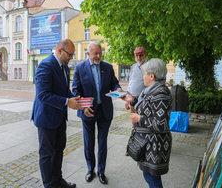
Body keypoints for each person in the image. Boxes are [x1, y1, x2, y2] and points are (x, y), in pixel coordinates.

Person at [31, 39, 83, 188]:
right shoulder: (45, 66)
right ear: (60, 50)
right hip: (46, 118)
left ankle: (57, 179)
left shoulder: (64, 66)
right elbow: (43, 95)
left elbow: (64, 91)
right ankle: (49, 185)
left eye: (72, 55)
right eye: (70, 54)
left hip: (59, 117)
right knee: (46, 153)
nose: (71, 58)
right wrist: (67, 102)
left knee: (59, 148)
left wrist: (75, 100)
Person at [72, 41, 122, 185]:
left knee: (102, 143)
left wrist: (118, 88)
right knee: (88, 143)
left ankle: (101, 171)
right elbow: (76, 90)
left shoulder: (107, 67)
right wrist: (82, 106)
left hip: (104, 110)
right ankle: (90, 169)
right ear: (88, 54)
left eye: (100, 52)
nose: (98, 56)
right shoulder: (79, 68)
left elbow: (114, 83)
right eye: (95, 53)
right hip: (88, 110)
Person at [121, 58, 172, 188]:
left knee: (152, 178)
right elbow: (146, 105)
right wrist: (131, 100)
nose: (143, 76)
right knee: (149, 176)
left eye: (144, 74)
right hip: (148, 143)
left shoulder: (161, 93)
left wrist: (139, 119)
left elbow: (161, 124)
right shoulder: (151, 90)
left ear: (151, 76)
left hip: (155, 144)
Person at [124, 46, 147, 156]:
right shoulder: (133, 67)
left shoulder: (149, 67)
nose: (138, 57)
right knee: (134, 124)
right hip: (132, 99)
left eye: (141, 55)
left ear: (145, 55)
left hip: (144, 101)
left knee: (144, 123)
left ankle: (145, 146)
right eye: (136, 55)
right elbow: (131, 82)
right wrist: (127, 99)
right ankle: (133, 146)